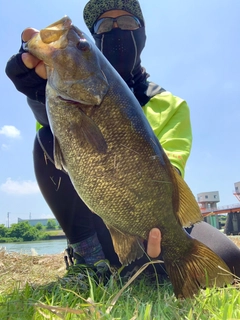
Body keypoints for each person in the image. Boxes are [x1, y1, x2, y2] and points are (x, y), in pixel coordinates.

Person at [5, 0, 240, 280]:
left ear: (142, 35)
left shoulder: (170, 103)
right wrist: (36, 94)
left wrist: (156, 229)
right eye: (105, 25)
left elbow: (171, 176)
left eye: (127, 23)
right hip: (96, 215)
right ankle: (89, 257)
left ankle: (148, 259)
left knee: (230, 261)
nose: (116, 31)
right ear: (97, 41)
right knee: (45, 138)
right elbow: (55, 139)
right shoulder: (59, 94)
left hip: (149, 213)